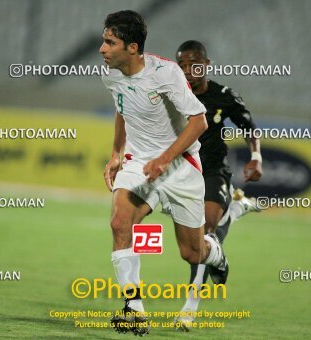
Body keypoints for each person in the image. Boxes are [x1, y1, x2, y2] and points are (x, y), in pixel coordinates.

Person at [99, 11, 230, 336]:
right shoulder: (110, 74)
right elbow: (122, 107)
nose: (102, 49)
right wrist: (116, 154)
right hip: (139, 163)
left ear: (132, 48)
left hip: (181, 167)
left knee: (192, 252)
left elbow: (198, 121)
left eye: (109, 42)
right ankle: (135, 309)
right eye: (103, 40)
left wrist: (165, 159)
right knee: (120, 222)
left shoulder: (166, 73)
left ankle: (216, 254)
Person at [174, 40, 263, 331]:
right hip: (181, 175)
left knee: (204, 235)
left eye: (193, 63)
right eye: (182, 65)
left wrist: (255, 157)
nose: (188, 70)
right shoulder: (171, 93)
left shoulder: (223, 96)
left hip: (213, 172)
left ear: (206, 64)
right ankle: (237, 209)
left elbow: (248, 125)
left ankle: (189, 310)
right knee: (196, 244)